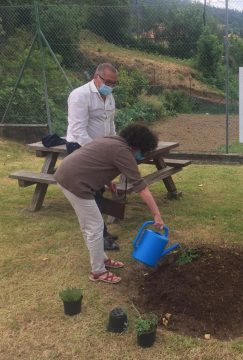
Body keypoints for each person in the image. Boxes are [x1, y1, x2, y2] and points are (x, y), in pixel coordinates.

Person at [55, 122, 164, 284]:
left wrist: (107, 182)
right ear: (138, 146)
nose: (143, 155)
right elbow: (141, 187)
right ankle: (98, 271)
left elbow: (98, 160)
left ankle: (102, 259)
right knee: (94, 227)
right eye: (144, 151)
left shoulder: (113, 140)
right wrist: (156, 214)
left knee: (91, 226)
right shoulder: (123, 152)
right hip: (75, 182)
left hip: (68, 173)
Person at [65, 62, 120, 251]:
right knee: (90, 193)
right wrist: (99, 153)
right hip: (81, 149)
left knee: (100, 191)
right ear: (96, 77)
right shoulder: (80, 96)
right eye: (108, 82)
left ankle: (102, 232)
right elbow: (78, 131)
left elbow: (110, 125)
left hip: (100, 150)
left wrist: (113, 147)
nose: (111, 86)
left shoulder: (110, 97)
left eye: (114, 83)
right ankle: (101, 236)